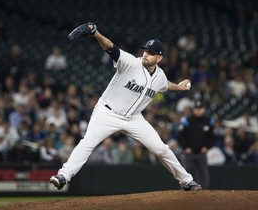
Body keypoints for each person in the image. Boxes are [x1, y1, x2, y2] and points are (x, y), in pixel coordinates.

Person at [50, 23, 202, 191]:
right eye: (145, 50)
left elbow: (165, 85)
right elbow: (110, 48)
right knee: (88, 142)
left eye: (151, 53)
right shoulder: (131, 63)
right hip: (107, 113)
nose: (146, 54)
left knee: (161, 149)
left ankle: (187, 181)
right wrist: (96, 33)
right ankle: (63, 175)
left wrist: (179, 86)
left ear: (159, 58)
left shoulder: (159, 76)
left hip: (134, 119)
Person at [177, 100, 215, 189]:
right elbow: (180, 136)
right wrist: (185, 147)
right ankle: (183, 192)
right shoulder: (187, 120)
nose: (198, 111)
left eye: (200, 108)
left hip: (202, 152)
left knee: (203, 174)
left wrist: (207, 147)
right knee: (184, 173)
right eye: (196, 109)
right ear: (193, 110)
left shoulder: (208, 121)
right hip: (188, 153)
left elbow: (212, 137)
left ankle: (204, 192)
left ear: (204, 109)